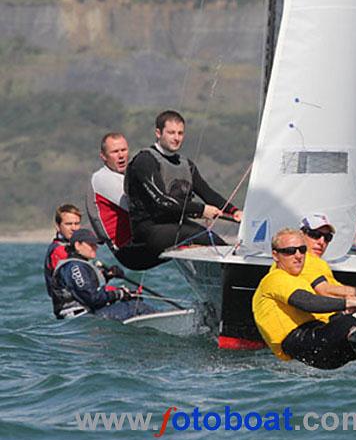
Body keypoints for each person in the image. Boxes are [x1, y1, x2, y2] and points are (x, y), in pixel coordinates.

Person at [123, 110, 242, 270]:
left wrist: (233, 211)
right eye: (171, 133)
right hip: (149, 230)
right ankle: (229, 275)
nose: (176, 138)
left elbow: (207, 193)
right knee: (204, 237)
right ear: (158, 133)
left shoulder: (186, 164)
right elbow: (161, 201)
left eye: (180, 133)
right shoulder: (145, 161)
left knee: (218, 243)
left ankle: (235, 275)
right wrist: (201, 210)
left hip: (178, 227)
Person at [252, 228, 356, 369]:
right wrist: (349, 303)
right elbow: (308, 302)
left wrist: (352, 309)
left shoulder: (299, 280)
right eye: (290, 251)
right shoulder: (274, 279)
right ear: (276, 255)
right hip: (299, 342)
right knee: (351, 323)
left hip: (319, 344)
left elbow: (321, 307)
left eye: (302, 250)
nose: (298, 256)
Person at [48, 229, 149, 320]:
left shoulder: (76, 264)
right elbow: (92, 298)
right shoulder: (75, 267)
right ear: (77, 245)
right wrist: (119, 294)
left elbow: (87, 288)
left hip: (85, 316)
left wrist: (108, 275)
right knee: (137, 307)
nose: (95, 247)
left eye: (95, 244)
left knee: (131, 303)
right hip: (81, 319)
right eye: (91, 244)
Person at [86, 132, 132, 252]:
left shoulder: (127, 175)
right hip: (126, 249)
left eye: (123, 150)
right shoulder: (102, 178)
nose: (121, 155)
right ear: (103, 156)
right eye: (115, 152)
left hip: (138, 241)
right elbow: (137, 207)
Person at [43, 204, 83, 318]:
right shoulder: (59, 251)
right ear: (58, 226)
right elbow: (78, 282)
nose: (74, 228)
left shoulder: (74, 247)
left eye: (77, 223)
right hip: (70, 310)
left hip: (81, 306)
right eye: (68, 224)